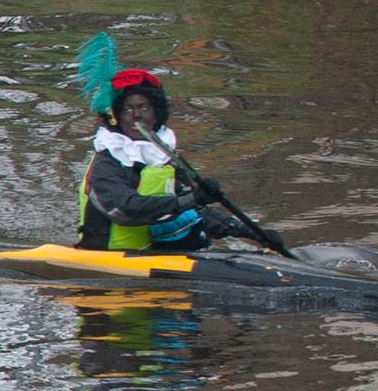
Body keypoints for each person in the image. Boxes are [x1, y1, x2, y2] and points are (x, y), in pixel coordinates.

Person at [76, 68, 278, 253]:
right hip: (107, 254)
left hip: (155, 252)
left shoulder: (165, 156)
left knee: (190, 221)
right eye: (128, 109)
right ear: (116, 116)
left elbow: (196, 211)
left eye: (143, 108)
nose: (137, 116)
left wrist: (249, 232)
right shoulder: (107, 162)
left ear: (156, 113)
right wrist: (192, 199)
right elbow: (125, 209)